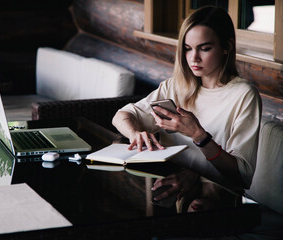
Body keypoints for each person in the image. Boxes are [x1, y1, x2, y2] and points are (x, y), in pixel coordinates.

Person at [112, 6, 261, 201]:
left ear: (227, 47)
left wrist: (199, 136)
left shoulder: (243, 95)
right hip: (166, 191)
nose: (194, 58)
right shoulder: (176, 86)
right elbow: (121, 116)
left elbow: (241, 175)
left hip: (215, 202)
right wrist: (135, 134)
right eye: (188, 49)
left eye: (205, 48)